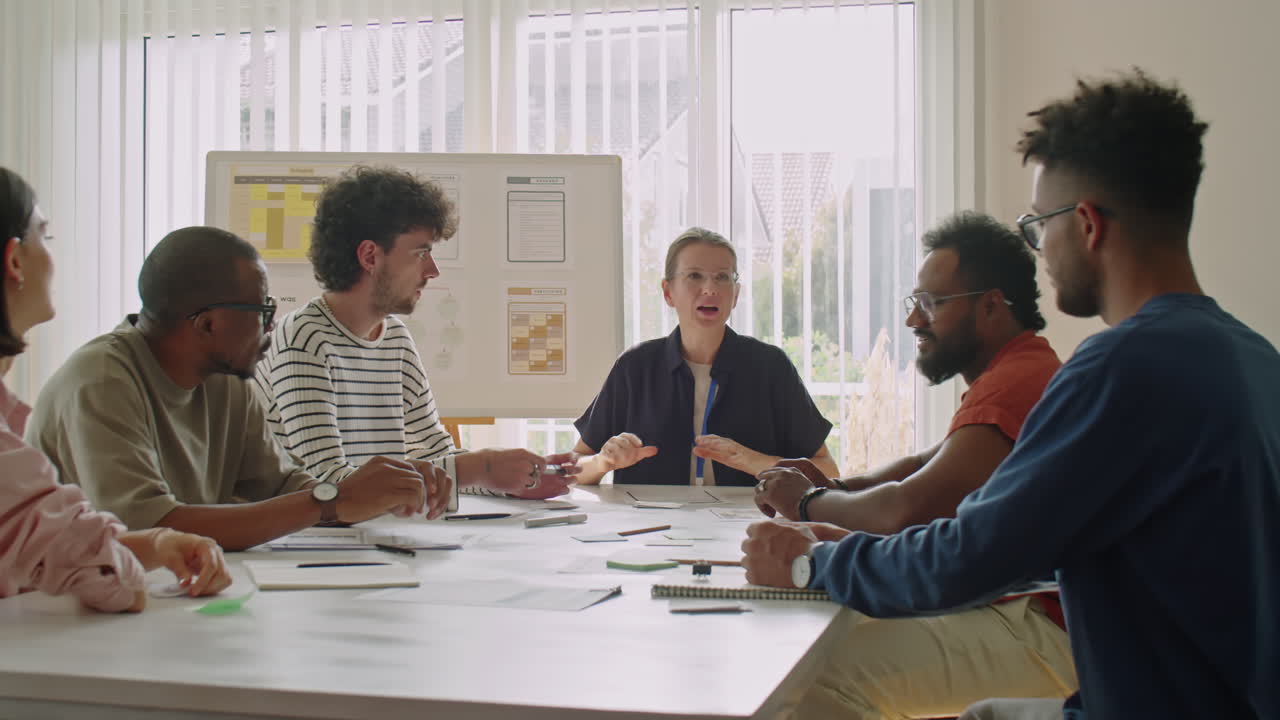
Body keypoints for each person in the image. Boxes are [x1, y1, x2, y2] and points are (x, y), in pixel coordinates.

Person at [742, 69, 1280, 719]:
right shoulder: (1252, 357)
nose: (1039, 251)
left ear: (1085, 224)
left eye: (1036, 227)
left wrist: (814, 562)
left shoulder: (1123, 369)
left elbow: (967, 557)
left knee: (806, 688)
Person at [751, 211, 1074, 719]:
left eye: (931, 304)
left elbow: (908, 508)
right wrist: (838, 486)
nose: (913, 320)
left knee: (814, 680)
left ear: (991, 306)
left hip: (1047, 625)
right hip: (1020, 602)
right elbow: (927, 464)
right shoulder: (1018, 369)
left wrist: (808, 500)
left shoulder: (1017, 381)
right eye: (914, 303)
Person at [26, 226, 442, 552]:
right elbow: (148, 528)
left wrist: (378, 490)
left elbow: (283, 488)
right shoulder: (101, 382)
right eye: (262, 310)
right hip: (71, 614)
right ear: (207, 324)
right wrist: (332, 500)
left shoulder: (226, 379)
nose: (271, 325)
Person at [253, 165, 576, 500]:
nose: (432, 270)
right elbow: (328, 486)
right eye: (421, 253)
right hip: (310, 546)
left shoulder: (395, 338)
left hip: (375, 534)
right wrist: (481, 467)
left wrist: (512, 482)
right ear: (369, 256)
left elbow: (435, 453)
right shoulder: (304, 339)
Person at [1, 167, 230, 612]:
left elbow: (50, 550)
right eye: (43, 237)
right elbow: (110, 581)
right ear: (14, 261)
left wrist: (155, 544)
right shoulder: (100, 377)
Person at [571, 227, 836, 487]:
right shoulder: (635, 366)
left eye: (722, 277)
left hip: (748, 526)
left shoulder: (770, 366)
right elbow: (575, 465)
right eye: (695, 276)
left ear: (736, 294)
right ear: (668, 292)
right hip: (649, 527)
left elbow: (828, 471)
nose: (710, 289)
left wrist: (754, 461)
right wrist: (603, 462)